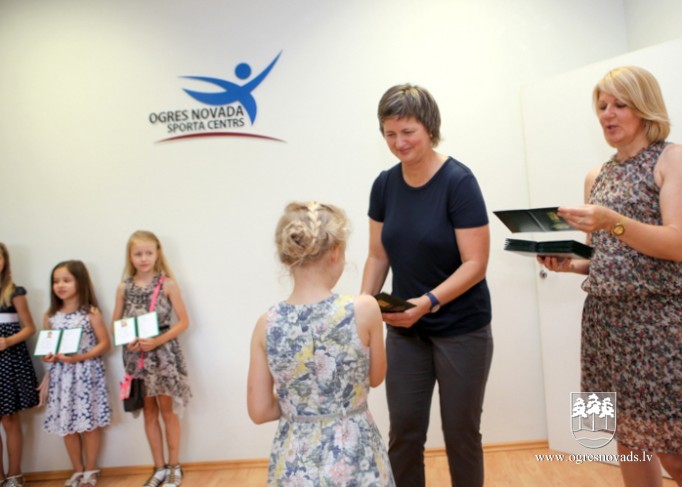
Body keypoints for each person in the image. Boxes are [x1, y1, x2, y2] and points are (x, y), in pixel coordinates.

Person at [538, 66, 682, 486]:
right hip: (603, 325)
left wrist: (611, 221)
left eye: (620, 104)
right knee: (626, 439)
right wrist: (570, 264)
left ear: (644, 108)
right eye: (602, 106)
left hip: (657, 326)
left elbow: (676, 243)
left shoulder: (671, 159)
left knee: (674, 452)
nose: (608, 114)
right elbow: (602, 257)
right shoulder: (595, 176)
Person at [361, 84, 493, 487]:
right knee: (403, 434)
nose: (398, 142)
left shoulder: (458, 181)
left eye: (408, 132)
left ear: (430, 128)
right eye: (390, 133)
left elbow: (476, 264)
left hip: (461, 329)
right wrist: (363, 306)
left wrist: (429, 301)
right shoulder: (384, 185)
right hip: (406, 330)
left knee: (460, 435)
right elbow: (378, 256)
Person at [247, 201, 395, 486]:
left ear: (286, 257)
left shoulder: (266, 324)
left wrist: (300, 403)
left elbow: (259, 410)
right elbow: (376, 377)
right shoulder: (364, 309)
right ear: (335, 251)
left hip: (296, 464)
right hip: (356, 457)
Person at [112, 230, 191, 487]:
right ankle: (158, 467)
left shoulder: (167, 284)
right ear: (130, 256)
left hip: (163, 356)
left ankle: (174, 466)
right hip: (137, 359)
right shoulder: (124, 287)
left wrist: (157, 341)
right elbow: (116, 323)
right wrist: (128, 340)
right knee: (149, 411)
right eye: (138, 253)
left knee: (167, 411)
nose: (144, 258)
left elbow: (184, 322)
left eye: (148, 253)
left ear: (157, 254)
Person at [38, 260, 112, 487]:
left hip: (85, 375)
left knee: (88, 424)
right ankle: (77, 470)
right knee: (67, 426)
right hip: (61, 378)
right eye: (56, 281)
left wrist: (80, 357)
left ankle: (91, 468)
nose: (60, 285)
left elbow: (104, 343)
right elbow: (47, 348)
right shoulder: (50, 316)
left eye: (66, 280)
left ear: (80, 282)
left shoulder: (90, 313)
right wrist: (48, 357)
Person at [0, 243, 39, 487]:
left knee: (9, 419)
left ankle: (15, 475)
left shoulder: (14, 292)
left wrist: (7, 341)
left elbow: (30, 327)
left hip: (8, 361)